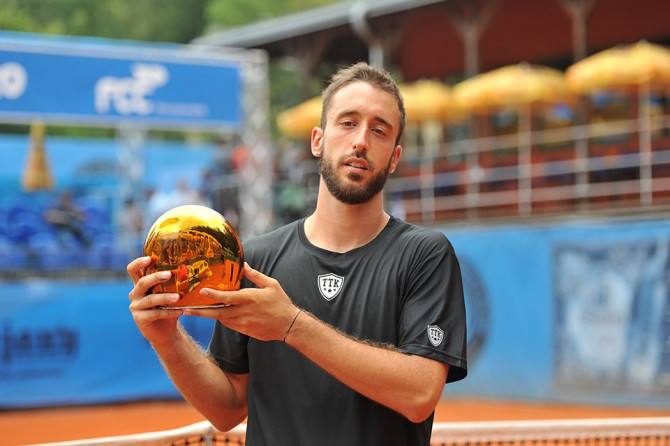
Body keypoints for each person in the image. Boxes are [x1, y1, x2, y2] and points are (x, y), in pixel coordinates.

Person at [127, 62, 467, 445]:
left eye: (379, 130)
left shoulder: (425, 255)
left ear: (394, 157)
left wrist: (291, 325)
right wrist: (166, 339)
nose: (361, 141)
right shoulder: (256, 259)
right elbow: (226, 409)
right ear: (317, 140)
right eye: (348, 122)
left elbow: (419, 395)